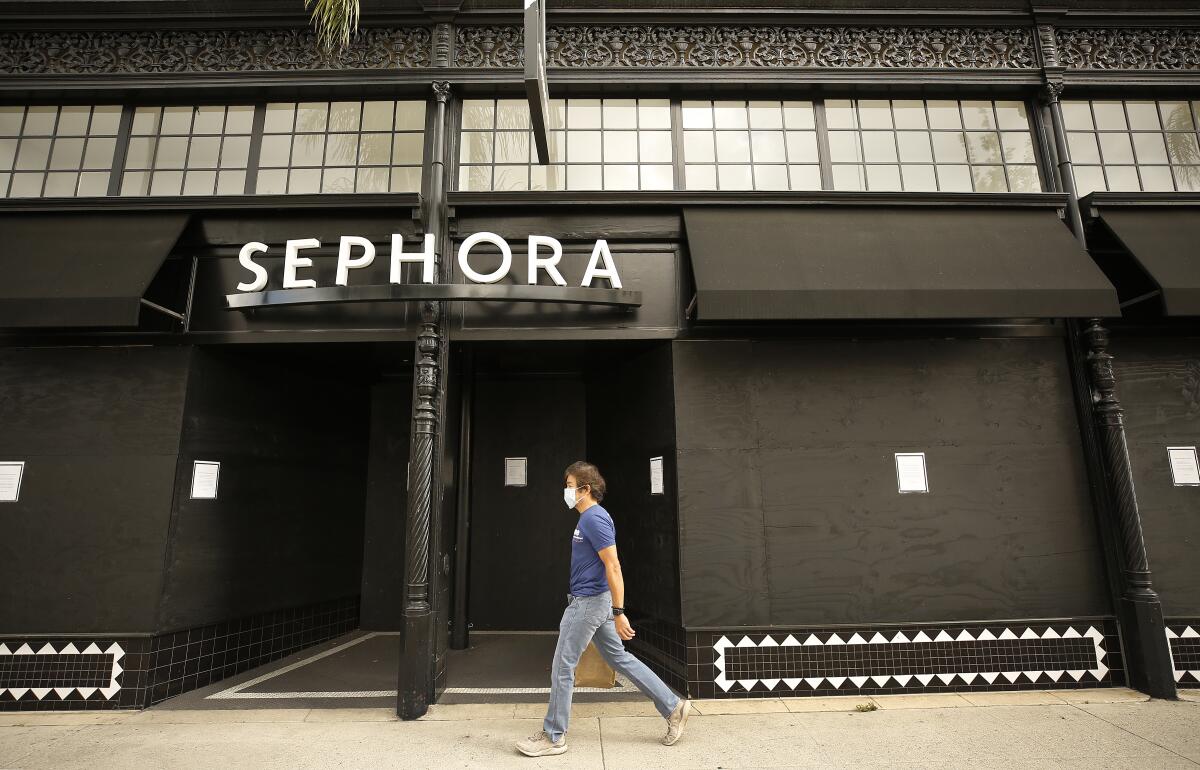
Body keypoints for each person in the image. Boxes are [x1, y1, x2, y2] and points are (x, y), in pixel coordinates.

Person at [515, 461, 692, 758]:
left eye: (570, 485)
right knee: (619, 658)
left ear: (585, 489)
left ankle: (553, 736)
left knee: (562, 667)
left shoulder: (594, 519)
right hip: (595, 601)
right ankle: (673, 707)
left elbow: (613, 565)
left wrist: (619, 610)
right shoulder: (589, 518)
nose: (566, 491)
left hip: (587, 604)